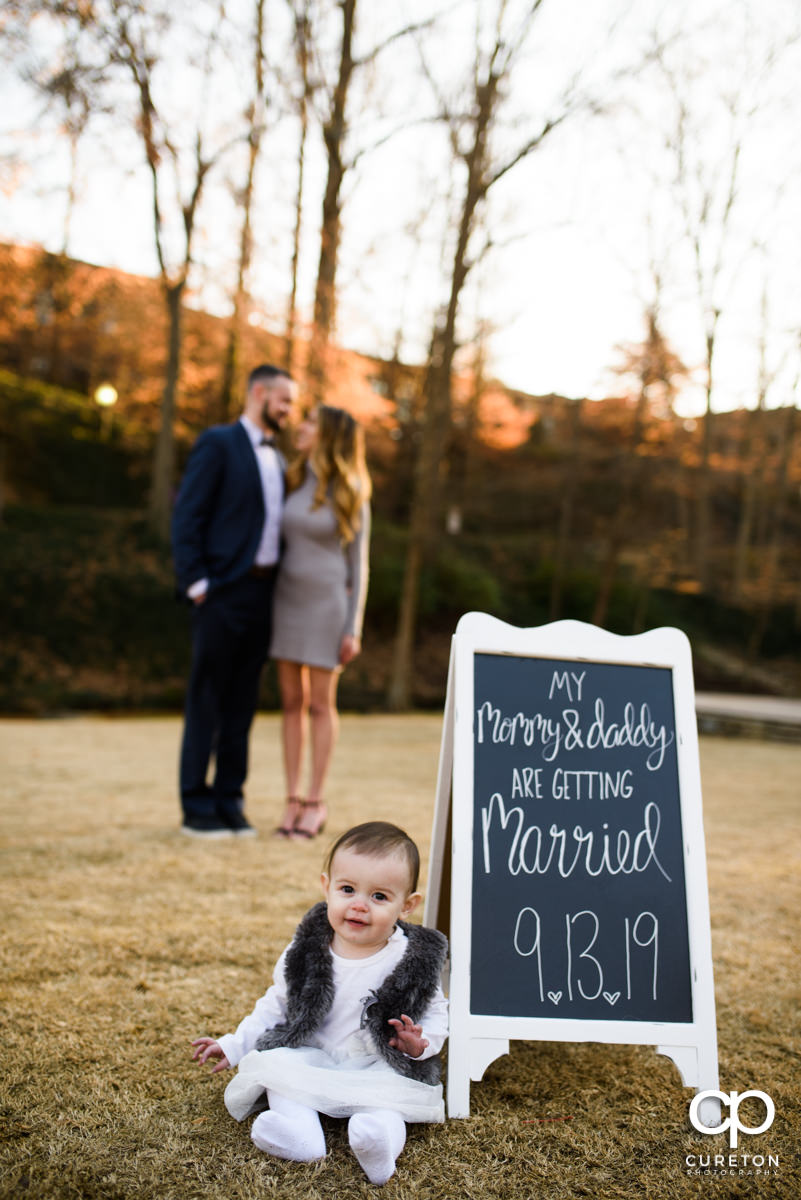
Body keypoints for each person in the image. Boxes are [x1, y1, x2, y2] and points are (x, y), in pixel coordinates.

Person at [191, 821, 448, 1186]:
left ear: (407, 905)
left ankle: (379, 1142)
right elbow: (276, 1004)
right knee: (279, 1071)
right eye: (347, 889)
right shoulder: (307, 949)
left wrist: (420, 1045)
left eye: (379, 897)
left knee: (385, 1103)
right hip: (312, 1052)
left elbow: (437, 1011)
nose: (359, 905)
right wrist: (234, 1044)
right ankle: (300, 1136)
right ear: (326, 887)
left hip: (373, 1062)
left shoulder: (411, 958)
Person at [171, 364, 296, 838]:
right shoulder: (218, 443)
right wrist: (197, 583)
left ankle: (230, 801)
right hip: (221, 592)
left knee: (242, 704)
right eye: (284, 400)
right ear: (259, 393)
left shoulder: (279, 458)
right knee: (207, 699)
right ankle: (196, 807)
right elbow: (188, 516)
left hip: (265, 595)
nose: (288, 410)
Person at [269, 405, 371, 840]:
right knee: (291, 702)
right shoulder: (290, 479)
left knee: (320, 704)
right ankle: (291, 799)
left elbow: (360, 564)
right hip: (285, 602)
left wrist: (354, 626)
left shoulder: (350, 490)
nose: (300, 427)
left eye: (310, 421)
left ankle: (316, 800)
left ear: (328, 434)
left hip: (329, 607)